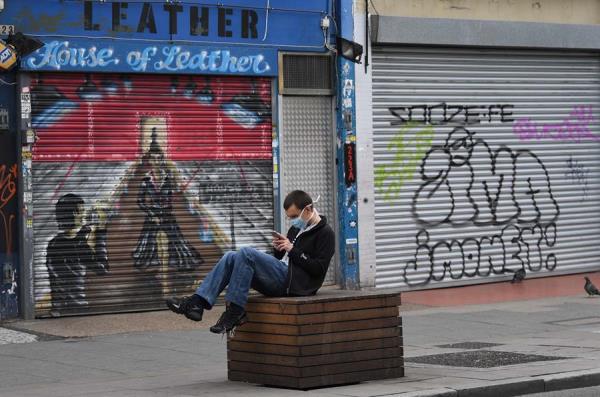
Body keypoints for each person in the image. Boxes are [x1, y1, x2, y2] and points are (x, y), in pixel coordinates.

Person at [166, 190, 335, 334]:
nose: (293, 220)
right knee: (231, 255)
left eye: (295, 216)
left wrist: (293, 250)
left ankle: (235, 311)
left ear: (309, 209)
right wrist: (279, 249)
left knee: (246, 252)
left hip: (294, 284)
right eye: (290, 217)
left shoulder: (325, 233)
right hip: (280, 275)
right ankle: (197, 303)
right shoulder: (296, 228)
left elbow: (318, 269)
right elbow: (280, 259)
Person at [46, 193, 109, 311]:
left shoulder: (53, 244)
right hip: (77, 307)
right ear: (75, 214)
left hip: (59, 308)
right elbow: (102, 268)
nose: (85, 214)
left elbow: (72, 240)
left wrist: (86, 230)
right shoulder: (79, 246)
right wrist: (101, 234)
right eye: (83, 210)